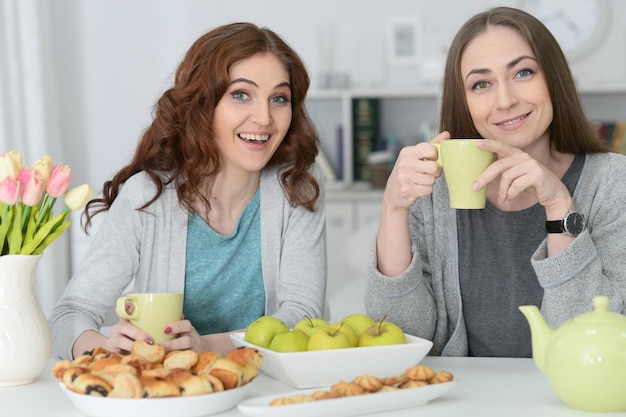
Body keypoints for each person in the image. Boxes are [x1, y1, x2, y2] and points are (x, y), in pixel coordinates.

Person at [49, 22, 327, 360]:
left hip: (270, 389)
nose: (264, 117)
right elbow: (70, 314)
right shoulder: (146, 196)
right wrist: (104, 347)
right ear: (203, 103)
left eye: (279, 98)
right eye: (241, 94)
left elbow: (305, 314)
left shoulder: (296, 185)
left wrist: (209, 347)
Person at [365, 6, 626, 358]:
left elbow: (592, 347)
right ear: (465, 101)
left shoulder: (612, 181)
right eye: (481, 84)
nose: (505, 100)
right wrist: (393, 208)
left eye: (523, 72)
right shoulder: (434, 191)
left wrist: (559, 206)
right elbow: (399, 335)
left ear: (554, 78)